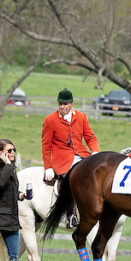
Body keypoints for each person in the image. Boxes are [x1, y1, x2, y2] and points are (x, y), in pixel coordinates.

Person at [41, 90, 98, 226]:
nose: (62, 106)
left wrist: (95, 151)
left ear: (72, 104)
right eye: (60, 104)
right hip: (62, 159)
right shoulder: (50, 120)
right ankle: (70, 215)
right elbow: (46, 146)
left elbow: (90, 137)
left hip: (82, 154)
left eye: (65, 104)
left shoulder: (81, 117)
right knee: (73, 177)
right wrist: (48, 167)